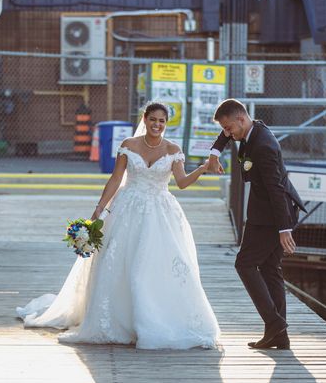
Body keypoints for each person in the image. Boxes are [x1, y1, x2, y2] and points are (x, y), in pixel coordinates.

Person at [16, 102, 220, 350]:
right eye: (153, 119)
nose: (157, 125)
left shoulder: (173, 149)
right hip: (127, 208)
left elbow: (182, 182)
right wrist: (100, 207)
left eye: (162, 121)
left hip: (160, 212)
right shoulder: (128, 146)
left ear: (166, 123)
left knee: (155, 264)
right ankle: (120, 320)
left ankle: (154, 319)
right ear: (144, 119)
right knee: (121, 262)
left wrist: (203, 168)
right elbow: (116, 179)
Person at [207, 99, 306, 350]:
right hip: (266, 211)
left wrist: (284, 230)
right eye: (225, 130)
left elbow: (275, 188)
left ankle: (275, 323)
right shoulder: (251, 127)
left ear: (241, 120)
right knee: (271, 269)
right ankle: (278, 335)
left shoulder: (264, 145)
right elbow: (226, 133)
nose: (228, 134)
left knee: (245, 264)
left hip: (272, 215)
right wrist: (214, 152)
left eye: (229, 128)